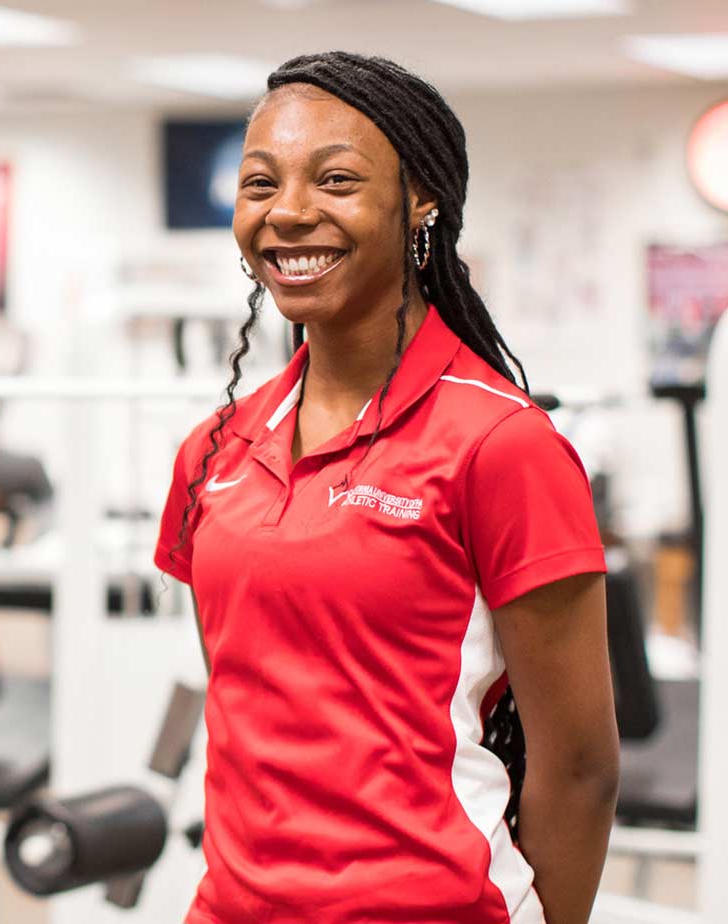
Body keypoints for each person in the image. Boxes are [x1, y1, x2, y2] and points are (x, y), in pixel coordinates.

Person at [153, 52, 618, 924]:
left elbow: (582, 767)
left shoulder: (501, 445)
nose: (289, 213)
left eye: (336, 180)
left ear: (422, 200)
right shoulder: (214, 449)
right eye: (260, 184)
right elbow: (245, 711)